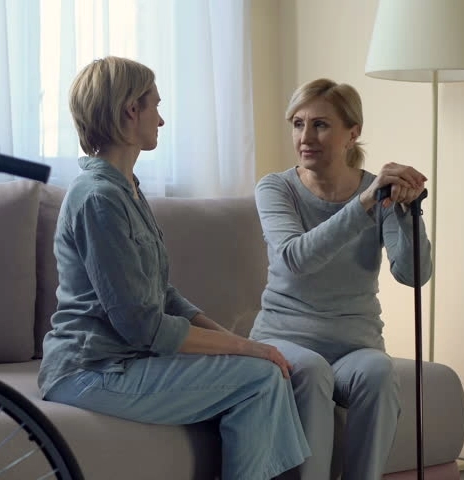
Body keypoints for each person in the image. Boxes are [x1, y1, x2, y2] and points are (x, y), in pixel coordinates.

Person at [37, 56, 310, 480]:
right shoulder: (98, 199)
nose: (161, 120)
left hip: (124, 361)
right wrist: (250, 350)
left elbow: (162, 294)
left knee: (267, 372)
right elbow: (143, 326)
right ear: (132, 109)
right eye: (156, 106)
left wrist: (235, 341)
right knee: (260, 378)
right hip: (90, 371)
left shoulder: (127, 189)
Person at [250, 78, 432, 480]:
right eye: (298, 124)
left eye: (320, 125)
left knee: (379, 372)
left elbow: (412, 274)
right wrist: (365, 203)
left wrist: (407, 212)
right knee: (312, 369)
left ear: (353, 133)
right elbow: (296, 258)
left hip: (355, 344)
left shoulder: (377, 193)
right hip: (285, 341)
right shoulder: (276, 188)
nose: (305, 137)